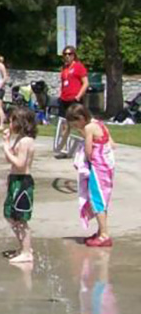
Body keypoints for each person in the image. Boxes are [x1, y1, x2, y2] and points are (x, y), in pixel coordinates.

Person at [67, 104, 115, 247]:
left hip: (97, 169)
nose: (76, 127)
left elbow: (89, 151)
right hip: (108, 168)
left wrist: (85, 162)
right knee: (103, 199)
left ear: (81, 118)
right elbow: (112, 144)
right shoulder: (99, 124)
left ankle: (104, 235)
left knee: (97, 200)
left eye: (76, 123)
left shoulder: (88, 128)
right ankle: (101, 231)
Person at [1, 106, 36, 264]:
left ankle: (27, 252)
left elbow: (20, 164)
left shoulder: (26, 142)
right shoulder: (20, 139)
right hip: (15, 179)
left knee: (21, 218)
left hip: (22, 182)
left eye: (12, 121)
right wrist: (7, 143)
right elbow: (11, 161)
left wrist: (5, 148)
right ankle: (23, 246)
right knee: (10, 214)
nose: (9, 124)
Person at [56, 46, 89, 158]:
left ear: (74, 55)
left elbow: (85, 83)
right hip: (64, 99)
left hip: (74, 99)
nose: (67, 56)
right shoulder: (64, 68)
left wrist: (78, 96)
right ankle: (65, 149)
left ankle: (90, 144)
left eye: (69, 54)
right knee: (64, 125)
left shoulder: (79, 67)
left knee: (78, 125)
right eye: (65, 54)